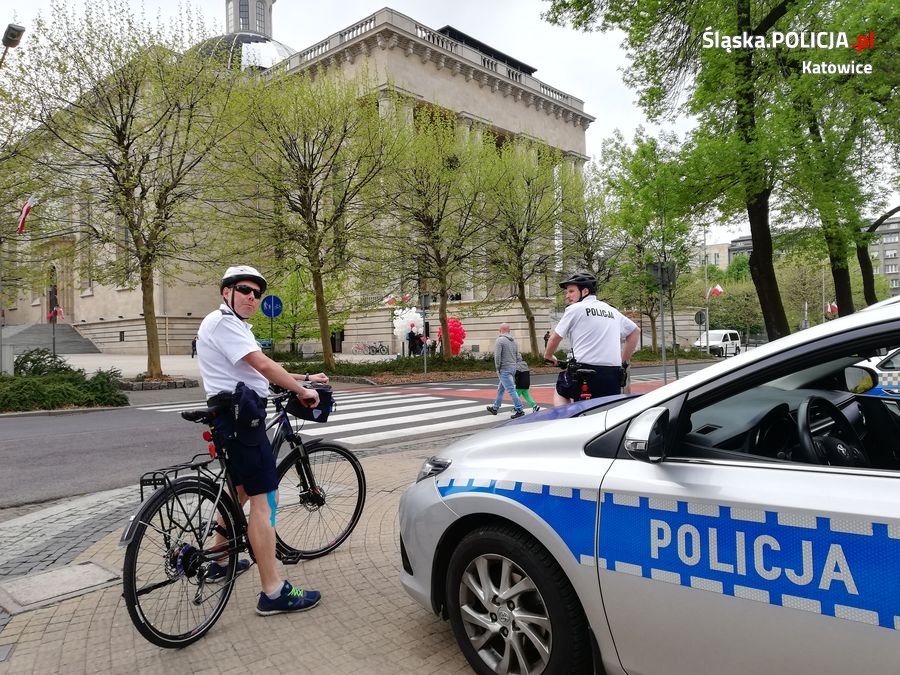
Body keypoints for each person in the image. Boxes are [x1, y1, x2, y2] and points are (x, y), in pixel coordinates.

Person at [197, 265, 329, 616]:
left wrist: (303, 375)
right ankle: (273, 591)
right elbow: (263, 364)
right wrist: (303, 391)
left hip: (232, 416)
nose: (252, 297)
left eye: (257, 293)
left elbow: (256, 366)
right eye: (244, 290)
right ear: (227, 292)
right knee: (262, 501)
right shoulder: (224, 322)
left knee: (238, 490)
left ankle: (220, 559)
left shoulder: (232, 326)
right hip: (241, 420)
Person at [543, 271, 640, 406]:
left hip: (584, 372)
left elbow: (555, 337)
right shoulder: (611, 311)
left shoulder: (575, 308)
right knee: (607, 407)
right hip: (612, 374)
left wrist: (548, 356)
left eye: (571, 291)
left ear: (585, 291)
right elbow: (635, 331)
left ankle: (564, 422)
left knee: (561, 389)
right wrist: (622, 361)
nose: (567, 296)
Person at [485, 323, 525, 419]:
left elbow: (497, 356)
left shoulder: (500, 340)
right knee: (501, 389)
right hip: (512, 367)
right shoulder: (514, 341)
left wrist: (497, 367)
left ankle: (519, 409)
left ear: (500, 330)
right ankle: (495, 408)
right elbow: (517, 355)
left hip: (504, 368)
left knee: (511, 389)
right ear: (509, 330)